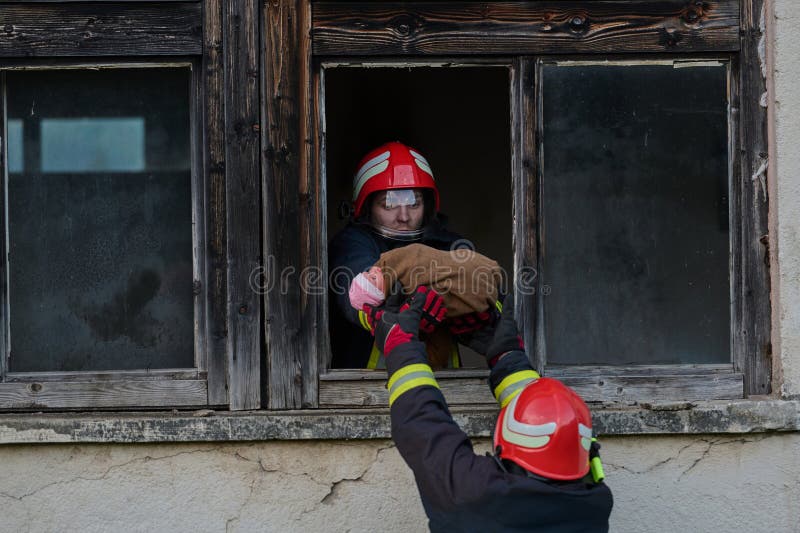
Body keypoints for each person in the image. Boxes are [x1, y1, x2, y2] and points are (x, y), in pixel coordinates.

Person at [367, 288, 614, 532]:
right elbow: (554, 424)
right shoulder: (594, 504)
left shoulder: (475, 497)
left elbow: (422, 427)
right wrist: (508, 357)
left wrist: (399, 347)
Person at [329, 141, 491, 369]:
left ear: (427, 205)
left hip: (450, 390)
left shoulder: (450, 244)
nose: (404, 216)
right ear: (366, 207)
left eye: (414, 202)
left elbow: (486, 287)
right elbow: (359, 290)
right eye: (389, 204)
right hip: (366, 394)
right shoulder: (353, 243)